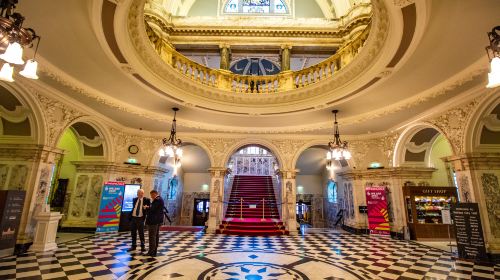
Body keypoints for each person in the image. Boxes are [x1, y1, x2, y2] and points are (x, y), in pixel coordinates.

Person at [144, 189, 164, 257]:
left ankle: (151, 252)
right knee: (155, 236)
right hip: (157, 221)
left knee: (152, 236)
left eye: (151, 195)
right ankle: (154, 251)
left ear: (154, 194)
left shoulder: (157, 199)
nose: (151, 197)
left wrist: (146, 207)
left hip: (154, 221)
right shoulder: (159, 199)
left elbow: (153, 209)